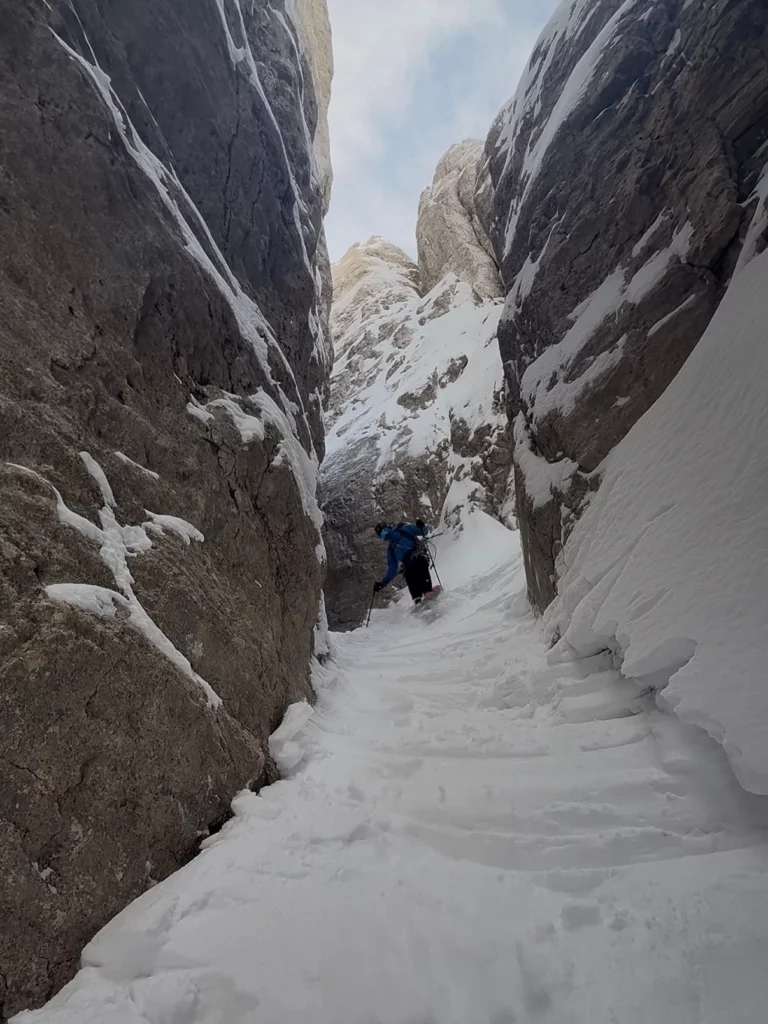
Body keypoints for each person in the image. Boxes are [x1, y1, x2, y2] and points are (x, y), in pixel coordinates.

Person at [373, 519, 434, 605]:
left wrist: (421, 526)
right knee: (408, 573)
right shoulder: (391, 550)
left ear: (388, 527)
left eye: (384, 531)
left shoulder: (404, 529)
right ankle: (417, 599)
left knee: (419, 564)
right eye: (382, 535)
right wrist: (382, 584)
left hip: (419, 556)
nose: (385, 535)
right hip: (408, 564)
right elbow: (392, 569)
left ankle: (428, 591)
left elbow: (423, 531)